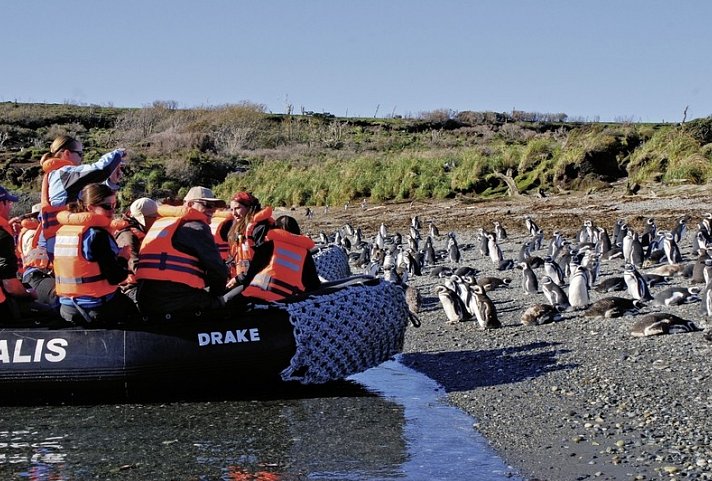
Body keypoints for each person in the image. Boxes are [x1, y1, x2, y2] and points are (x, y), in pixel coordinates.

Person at [24, 135, 126, 308]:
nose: (81, 159)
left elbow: (90, 197)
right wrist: (119, 153)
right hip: (45, 272)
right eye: (79, 154)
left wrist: (112, 184)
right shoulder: (63, 173)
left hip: (51, 265)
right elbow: (101, 169)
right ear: (65, 153)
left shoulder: (57, 178)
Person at [135, 186, 229, 318]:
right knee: (221, 305)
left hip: (145, 299)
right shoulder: (198, 226)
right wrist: (218, 294)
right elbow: (217, 270)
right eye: (207, 205)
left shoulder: (163, 222)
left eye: (214, 206)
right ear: (190, 204)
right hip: (173, 300)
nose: (212, 210)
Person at [52, 183, 138, 326]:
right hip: (97, 308)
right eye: (106, 206)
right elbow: (116, 277)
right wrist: (123, 257)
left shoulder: (63, 231)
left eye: (114, 205)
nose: (112, 210)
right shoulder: (97, 235)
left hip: (67, 308)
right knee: (137, 312)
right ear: (90, 207)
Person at [223, 215, 321, 306]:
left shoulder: (267, 246)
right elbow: (313, 284)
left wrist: (237, 280)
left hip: (258, 296)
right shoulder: (305, 253)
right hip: (288, 301)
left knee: (226, 303)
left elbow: (251, 274)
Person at [114, 197, 159, 303]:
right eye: (153, 217)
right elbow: (134, 265)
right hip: (131, 288)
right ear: (142, 219)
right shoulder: (127, 237)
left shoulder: (141, 231)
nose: (156, 220)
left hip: (145, 283)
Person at [226, 191, 275, 288]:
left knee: (226, 301)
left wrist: (239, 279)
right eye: (232, 209)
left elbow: (261, 261)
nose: (234, 213)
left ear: (249, 208)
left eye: (238, 208)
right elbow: (232, 258)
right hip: (243, 277)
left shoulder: (261, 228)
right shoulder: (238, 228)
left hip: (258, 280)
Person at [0, 186, 35, 320]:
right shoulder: (3, 237)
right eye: (8, 202)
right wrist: (29, 295)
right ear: (1, 204)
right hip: (2, 309)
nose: (10, 206)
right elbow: (11, 286)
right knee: (52, 312)